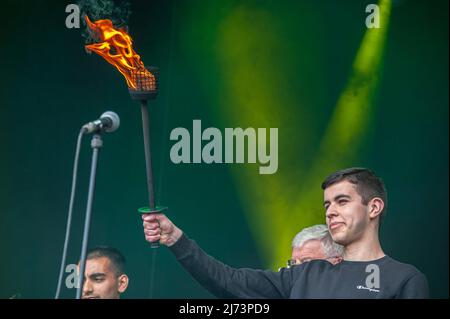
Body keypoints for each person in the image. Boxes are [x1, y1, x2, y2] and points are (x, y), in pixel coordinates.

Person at [142, 168, 429, 298]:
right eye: (327, 204)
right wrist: (176, 240)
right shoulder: (305, 275)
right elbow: (228, 281)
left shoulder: (404, 279)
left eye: (342, 201)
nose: (330, 211)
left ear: (374, 207)